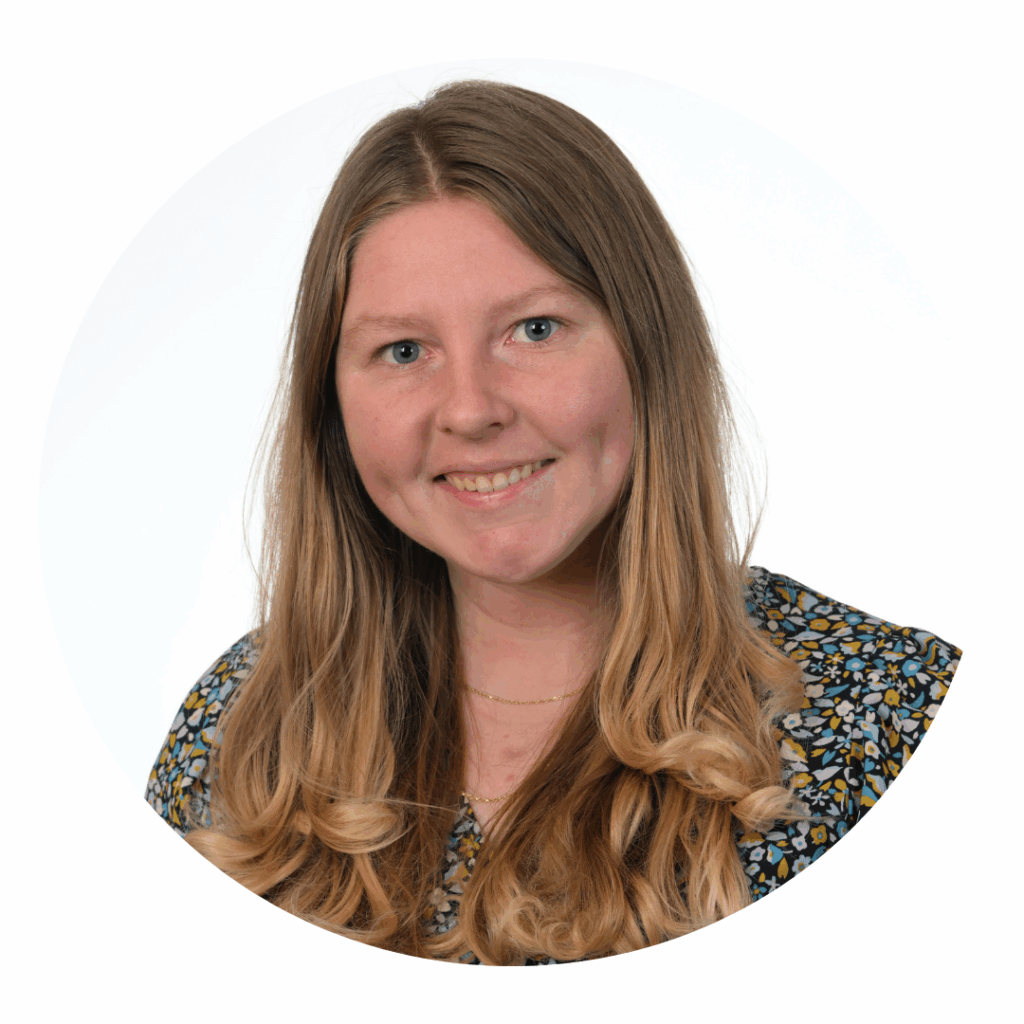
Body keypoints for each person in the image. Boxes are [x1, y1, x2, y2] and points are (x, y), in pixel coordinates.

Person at [146, 79, 960, 965]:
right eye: (404, 350)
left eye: (534, 330)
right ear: (332, 401)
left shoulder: (900, 719)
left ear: (647, 348)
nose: (470, 410)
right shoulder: (239, 735)